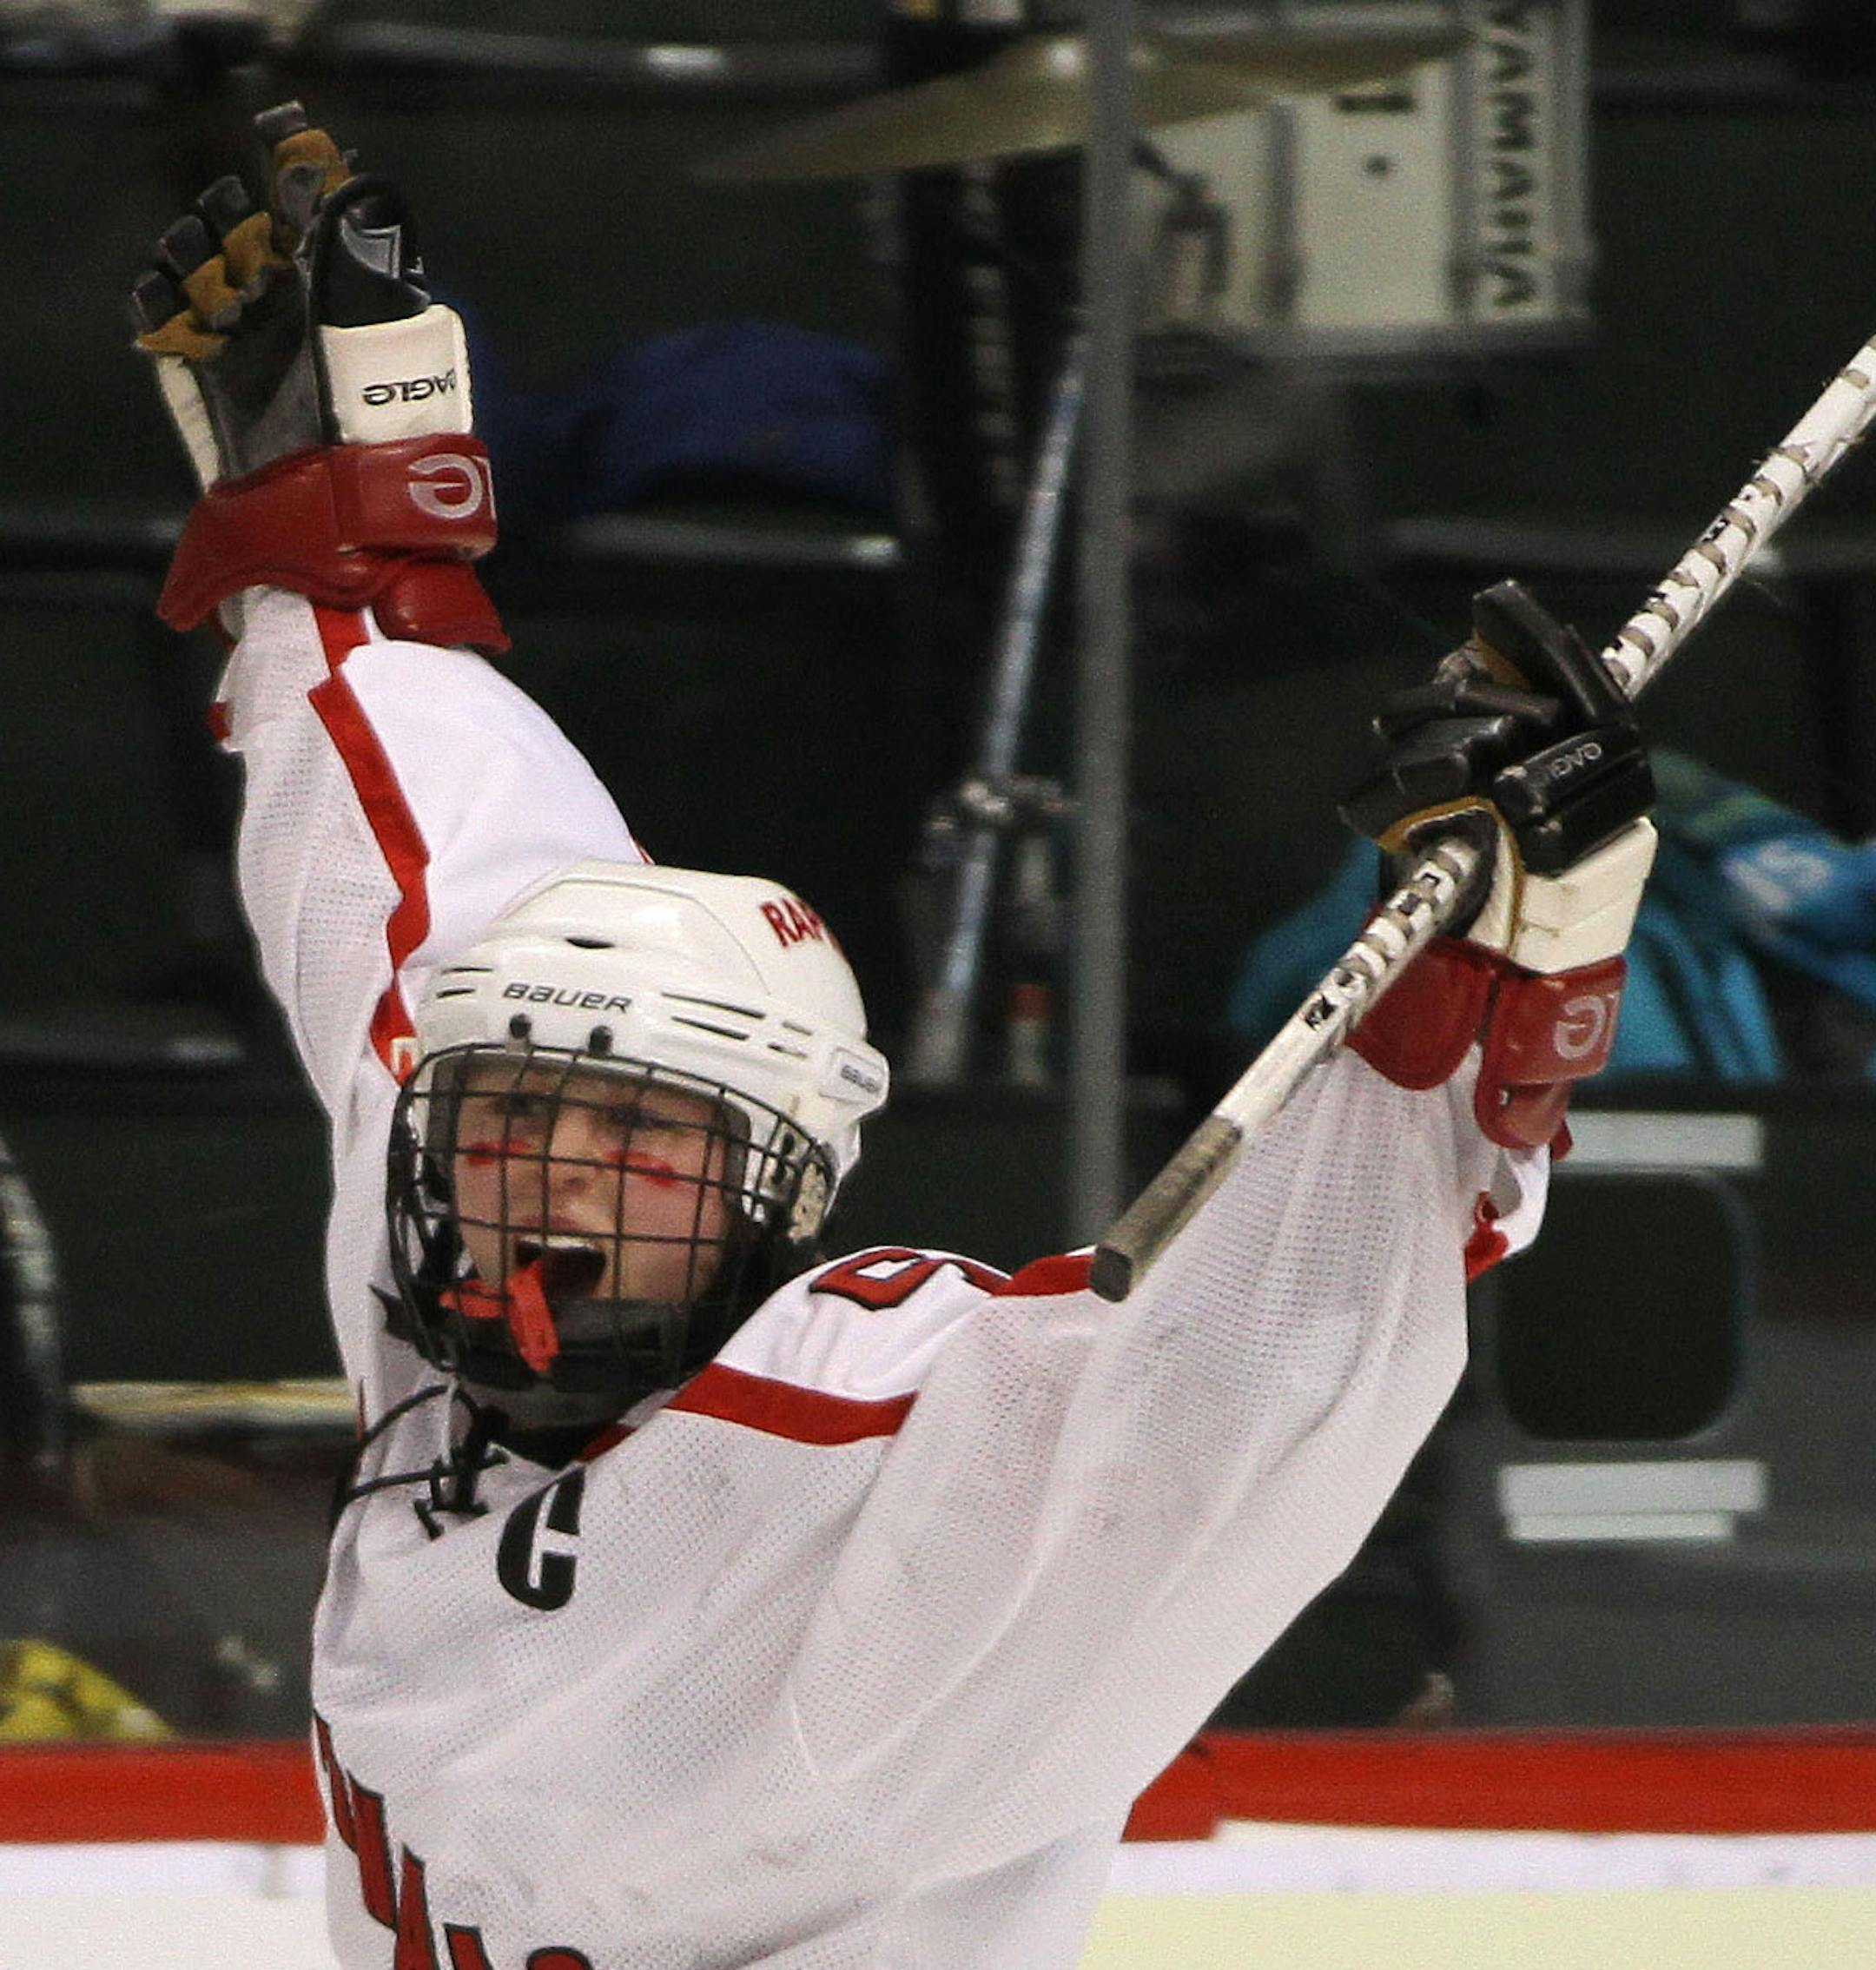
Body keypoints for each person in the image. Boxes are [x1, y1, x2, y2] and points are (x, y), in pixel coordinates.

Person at [129, 107, 1657, 1970]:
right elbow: (432, 910)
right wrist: (341, 589)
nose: (557, 1175)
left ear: (786, 1200)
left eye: (648, 1145)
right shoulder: (446, 1267)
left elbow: (1200, 1409)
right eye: (520, 1123)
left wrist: (1456, 1045)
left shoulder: (849, 1462)